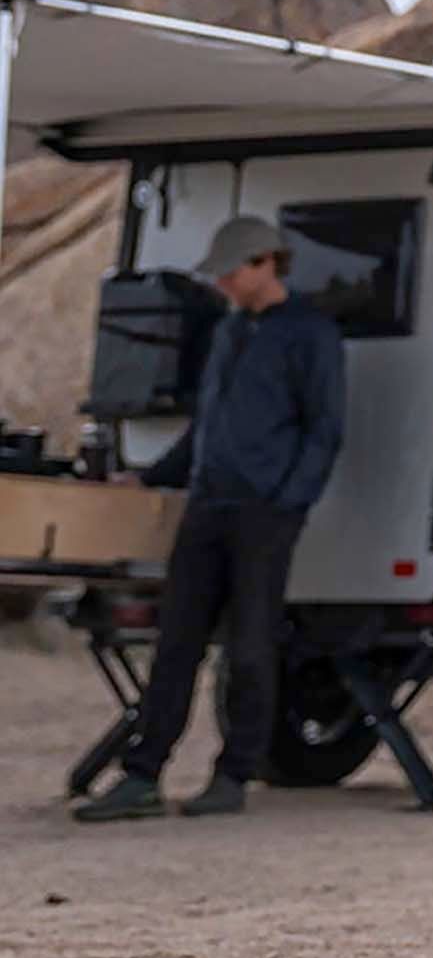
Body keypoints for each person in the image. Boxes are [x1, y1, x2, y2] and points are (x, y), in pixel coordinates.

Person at [74, 216, 346, 822]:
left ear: (263, 264)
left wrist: (289, 500)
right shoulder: (229, 332)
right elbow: (208, 426)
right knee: (176, 643)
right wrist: (151, 475)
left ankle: (233, 774)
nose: (221, 283)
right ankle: (142, 776)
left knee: (250, 646)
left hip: (264, 513)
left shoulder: (309, 334)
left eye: (229, 272)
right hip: (207, 504)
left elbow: (325, 429)